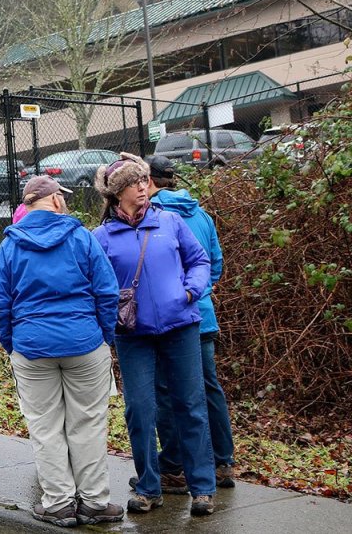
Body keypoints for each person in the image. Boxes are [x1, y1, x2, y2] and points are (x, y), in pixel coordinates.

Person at [0, 176, 124, 527]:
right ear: (56, 202)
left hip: (33, 347)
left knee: (45, 427)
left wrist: (13, 344)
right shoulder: (81, 237)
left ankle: (59, 503)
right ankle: (94, 502)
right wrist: (102, 336)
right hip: (83, 342)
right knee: (89, 423)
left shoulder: (10, 246)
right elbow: (107, 292)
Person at [92, 152, 216, 517]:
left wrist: (191, 291)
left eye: (144, 180)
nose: (143, 188)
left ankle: (203, 488)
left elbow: (200, 261)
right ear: (117, 194)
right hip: (133, 335)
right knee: (140, 410)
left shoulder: (172, 222)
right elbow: (95, 286)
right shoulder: (101, 237)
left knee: (190, 406)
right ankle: (149, 486)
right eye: (134, 183)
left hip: (181, 327)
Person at [145, 156, 235, 491]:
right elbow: (214, 263)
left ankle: (173, 468)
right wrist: (196, 293)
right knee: (208, 389)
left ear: (148, 181)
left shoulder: (149, 215)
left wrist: (174, 298)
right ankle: (224, 464)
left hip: (167, 321)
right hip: (203, 315)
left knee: (166, 392)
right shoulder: (200, 214)